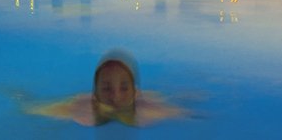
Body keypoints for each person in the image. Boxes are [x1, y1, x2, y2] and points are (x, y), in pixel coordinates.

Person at [24, 49, 187, 127]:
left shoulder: (152, 111)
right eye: (107, 88)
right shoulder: (79, 108)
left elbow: (187, 114)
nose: (115, 97)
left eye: (124, 88)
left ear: (135, 92)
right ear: (95, 94)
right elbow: (31, 108)